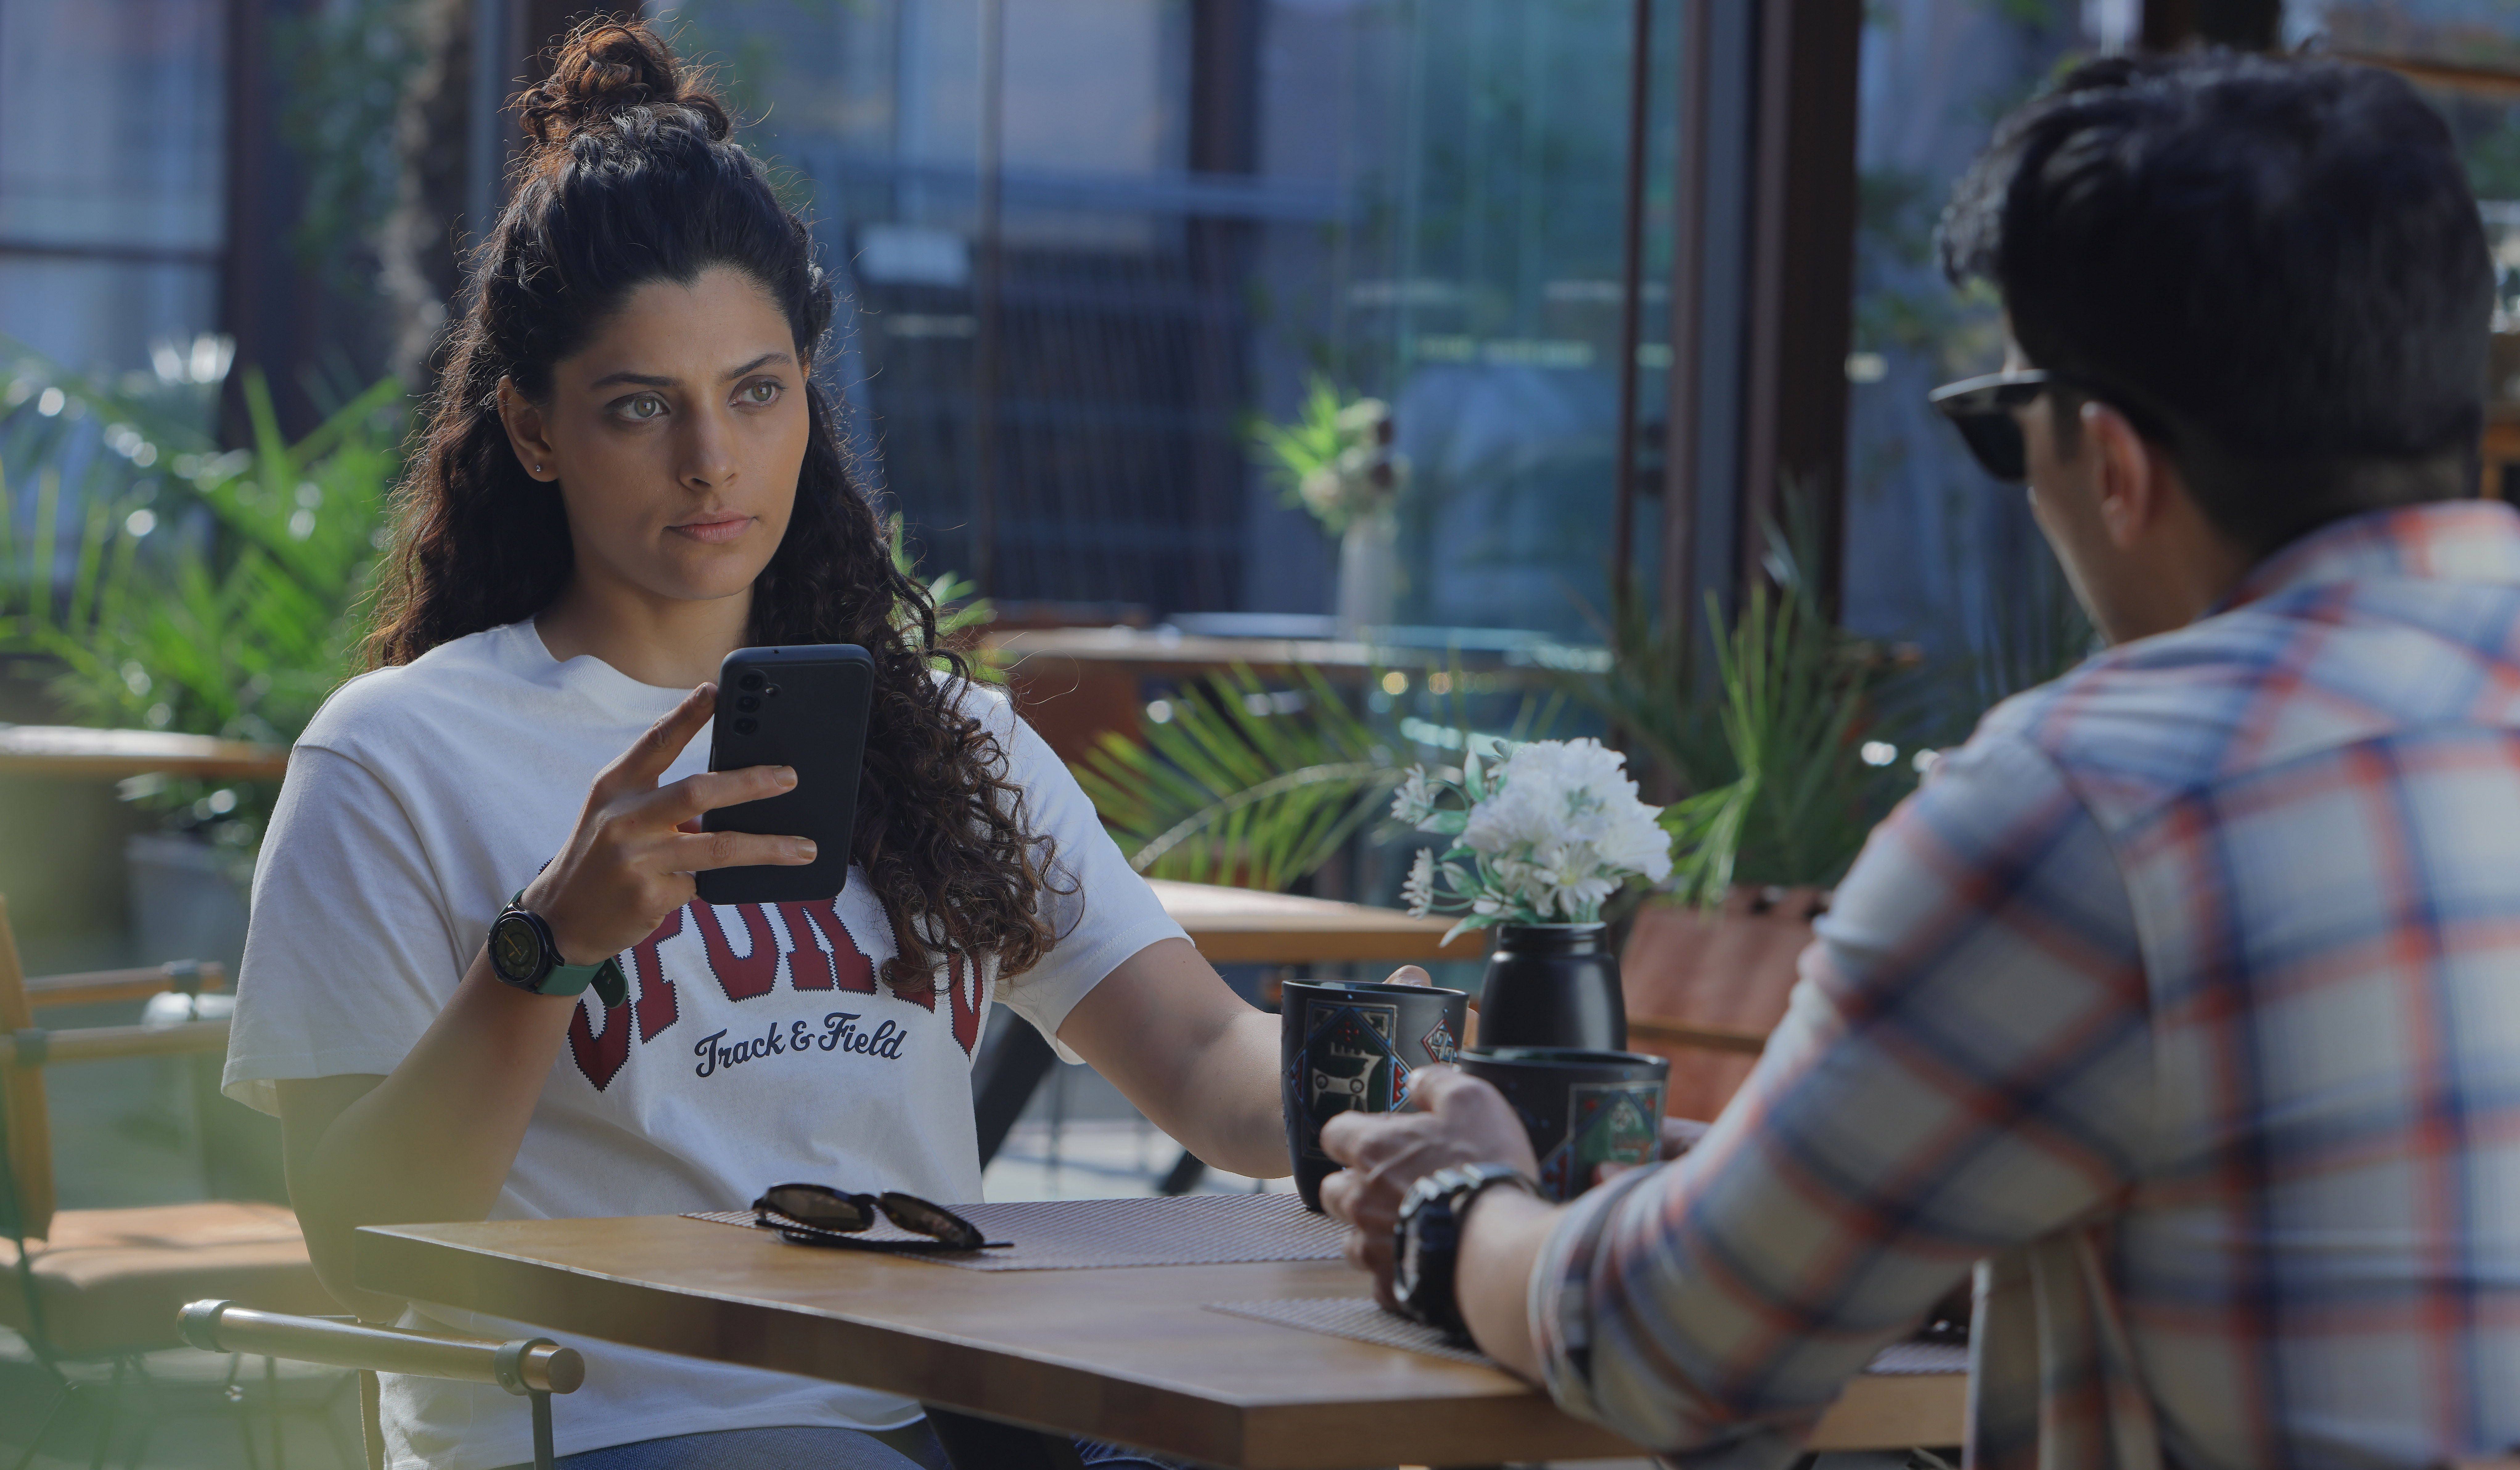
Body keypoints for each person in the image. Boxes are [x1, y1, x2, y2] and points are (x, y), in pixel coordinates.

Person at [1321, 50, 2520, 1470]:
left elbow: (1675, 1351)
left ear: (2114, 466)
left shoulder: (2091, 802)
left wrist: (1461, 1209)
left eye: (2003, 428)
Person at [221, 23, 1382, 1470]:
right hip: (623, 1426)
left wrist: (1404, 1081)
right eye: (642, 407)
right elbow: (356, 1247)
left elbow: (1205, 1056)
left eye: (756, 392)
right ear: (531, 428)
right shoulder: (398, 757)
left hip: (965, 1403)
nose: (713, 459)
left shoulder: (940, 734)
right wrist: (549, 944)